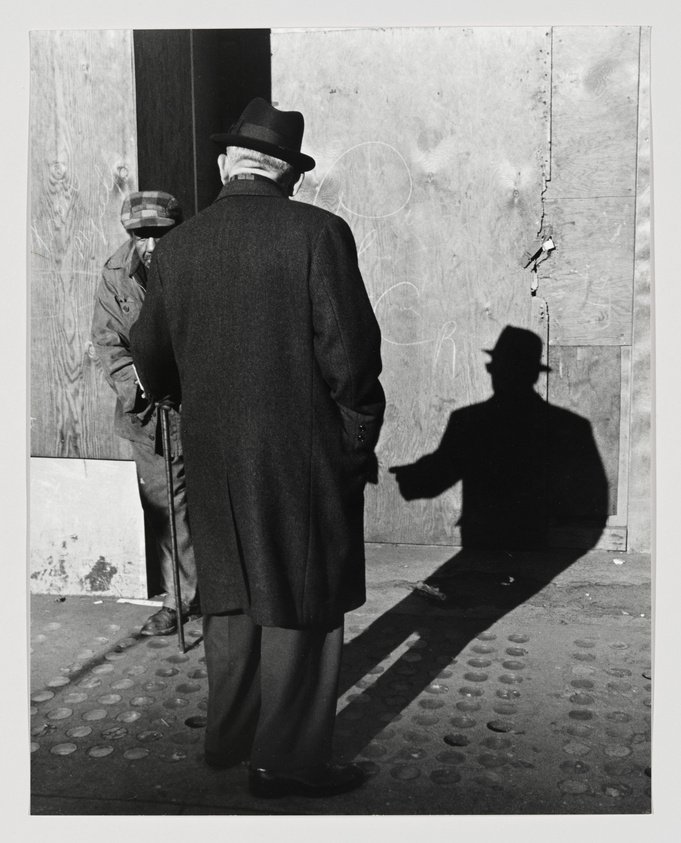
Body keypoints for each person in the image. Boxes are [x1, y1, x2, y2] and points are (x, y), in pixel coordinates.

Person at [129, 98, 385, 798]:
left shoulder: (178, 246)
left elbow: (149, 357)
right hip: (300, 458)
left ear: (224, 165)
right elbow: (351, 360)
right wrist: (354, 443)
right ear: (288, 175)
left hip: (212, 454)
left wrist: (192, 399)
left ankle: (231, 737)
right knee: (301, 602)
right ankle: (286, 760)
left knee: (232, 592)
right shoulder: (318, 233)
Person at [91, 191, 199, 636]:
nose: (151, 245)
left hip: (201, 408)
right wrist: (141, 390)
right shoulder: (116, 274)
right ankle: (180, 601)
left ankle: (231, 594)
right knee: (165, 510)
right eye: (141, 235)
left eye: (160, 233)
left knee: (214, 501)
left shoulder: (200, 261)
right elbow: (108, 343)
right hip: (150, 414)